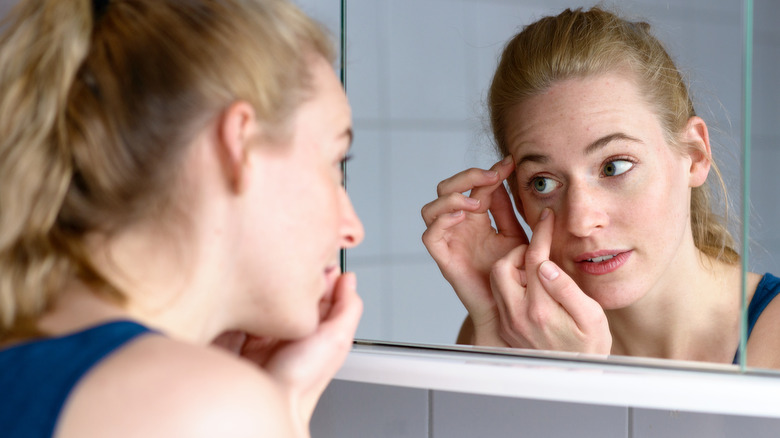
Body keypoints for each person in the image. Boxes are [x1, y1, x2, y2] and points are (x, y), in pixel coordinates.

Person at [0, 0, 364, 436]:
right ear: (240, 145)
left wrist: (280, 403)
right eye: (336, 162)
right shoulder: (199, 408)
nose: (351, 229)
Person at [421, 6, 780, 368]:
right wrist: (492, 322)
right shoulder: (516, 329)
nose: (579, 221)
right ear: (516, 198)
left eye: (614, 167)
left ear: (695, 155)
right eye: (542, 183)